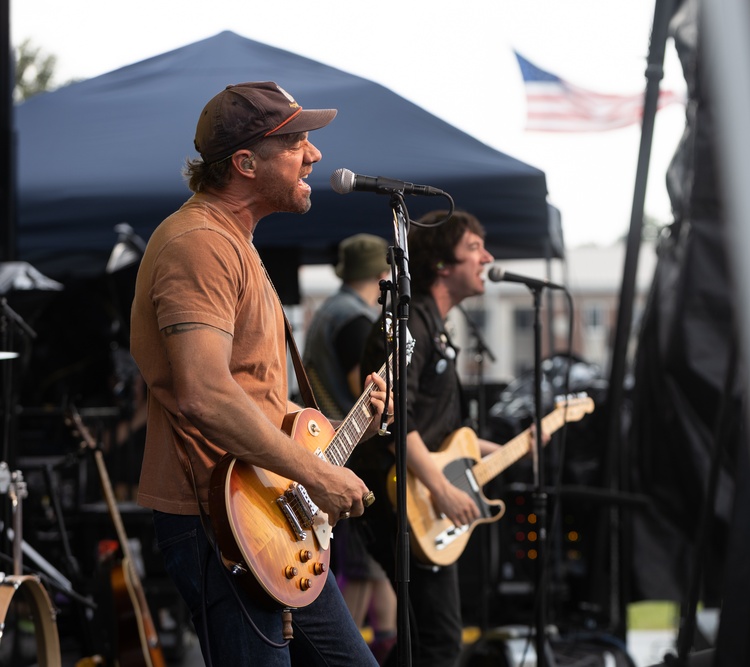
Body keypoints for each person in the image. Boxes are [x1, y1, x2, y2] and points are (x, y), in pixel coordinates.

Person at [129, 81, 391, 667]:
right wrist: (317, 478)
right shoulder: (201, 243)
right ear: (245, 163)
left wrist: (354, 426)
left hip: (271, 517)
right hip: (219, 522)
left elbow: (255, 401)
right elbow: (204, 393)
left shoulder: (235, 244)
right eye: (296, 140)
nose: (315, 154)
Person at [353, 209, 502, 667]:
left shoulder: (433, 327)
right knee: (437, 640)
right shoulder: (410, 324)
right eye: (474, 247)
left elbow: (439, 432)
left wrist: (509, 448)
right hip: (404, 498)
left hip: (418, 493)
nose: (487, 257)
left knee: (425, 641)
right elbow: (399, 417)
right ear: (441, 263)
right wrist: (441, 487)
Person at [302, 233, 397, 663]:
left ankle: (380, 645)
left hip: (324, 445)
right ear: (382, 277)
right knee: (359, 570)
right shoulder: (356, 321)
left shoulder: (328, 312)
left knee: (369, 570)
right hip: (345, 453)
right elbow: (368, 393)